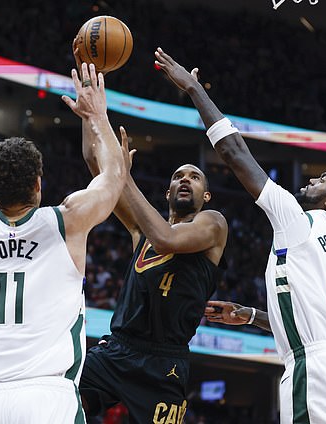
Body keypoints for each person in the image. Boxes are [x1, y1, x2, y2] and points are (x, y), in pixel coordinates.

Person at [155, 48, 326, 424]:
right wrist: (252, 315)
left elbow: (234, 151)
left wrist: (194, 90)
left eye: (321, 181)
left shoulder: (298, 220)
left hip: (315, 371)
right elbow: (312, 320)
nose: (310, 181)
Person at [0, 63, 126, 423]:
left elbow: (1, 217)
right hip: (45, 395)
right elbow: (113, 177)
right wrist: (97, 115)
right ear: (38, 183)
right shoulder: (67, 222)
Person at [78, 109, 228, 423]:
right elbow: (96, 164)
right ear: (168, 192)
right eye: (178, 176)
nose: (185, 179)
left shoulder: (213, 224)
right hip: (118, 350)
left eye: (194, 177)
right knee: (60, 398)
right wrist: (91, 112)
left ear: (206, 195)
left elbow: (165, 239)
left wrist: (125, 176)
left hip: (164, 364)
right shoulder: (140, 230)